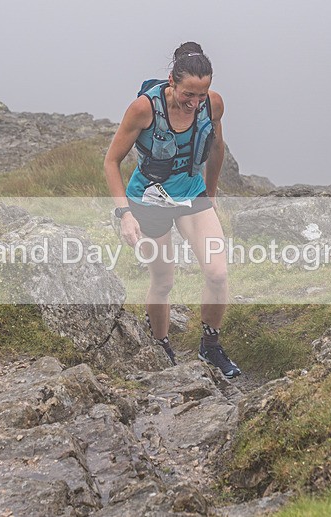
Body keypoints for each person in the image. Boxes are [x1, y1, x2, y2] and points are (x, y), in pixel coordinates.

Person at [103, 42, 241, 378]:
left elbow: (216, 147)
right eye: (188, 95)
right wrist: (125, 214)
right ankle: (161, 344)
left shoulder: (213, 105)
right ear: (171, 82)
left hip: (192, 195)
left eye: (202, 94)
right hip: (149, 201)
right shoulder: (143, 109)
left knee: (218, 273)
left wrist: (210, 195)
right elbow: (111, 162)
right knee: (163, 280)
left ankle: (210, 346)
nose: (195, 103)